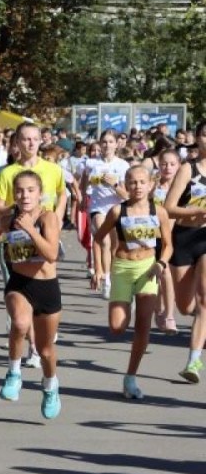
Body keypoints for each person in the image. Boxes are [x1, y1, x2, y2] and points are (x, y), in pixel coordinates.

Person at [0, 170, 64, 419]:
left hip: (46, 287)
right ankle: (14, 373)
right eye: (19, 191)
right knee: (19, 323)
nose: (24, 195)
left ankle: (50, 386)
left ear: (40, 194)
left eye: (30, 190)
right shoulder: (9, 219)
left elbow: (51, 254)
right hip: (19, 283)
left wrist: (30, 229)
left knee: (45, 349)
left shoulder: (48, 218)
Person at [92, 165, 172, 399]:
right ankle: (128, 303)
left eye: (141, 182)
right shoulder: (118, 211)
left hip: (148, 269)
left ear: (150, 185)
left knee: (143, 325)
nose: (137, 186)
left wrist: (162, 263)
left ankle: (130, 377)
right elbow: (98, 239)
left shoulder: (159, 212)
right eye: (132, 182)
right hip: (123, 268)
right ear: (126, 185)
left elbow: (167, 245)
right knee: (117, 327)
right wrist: (99, 269)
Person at [163, 123, 206, 383]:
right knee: (185, 306)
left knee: (204, 300)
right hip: (185, 237)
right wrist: (195, 212)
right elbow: (168, 208)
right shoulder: (187, 169)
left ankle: (193, 361)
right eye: (204, 134)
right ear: (197, 139)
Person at [81, 130, 130, 300]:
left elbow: (126, 195)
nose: (107, 145)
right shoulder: (91, 163)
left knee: (116, 246)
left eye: (110, 142)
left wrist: (115, 184)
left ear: (117, 144)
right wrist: (82, 198)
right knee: (104, 241)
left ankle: (112, 276)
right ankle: (106, 280)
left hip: (116, 207)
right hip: (97, 207)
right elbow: (84, 181)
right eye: (104, 142)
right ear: (99, 144)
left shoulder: (123, 165)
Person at [153, 149, 180, 333]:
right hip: (153, 236)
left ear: (178, 165)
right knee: (157, 274)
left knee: (167, 273)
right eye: (164, 164)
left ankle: (169, 314)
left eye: (172, 164)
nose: (168, 168)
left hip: (176, 236)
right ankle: (159, 310)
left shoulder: (182, 187)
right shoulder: (153, 186)